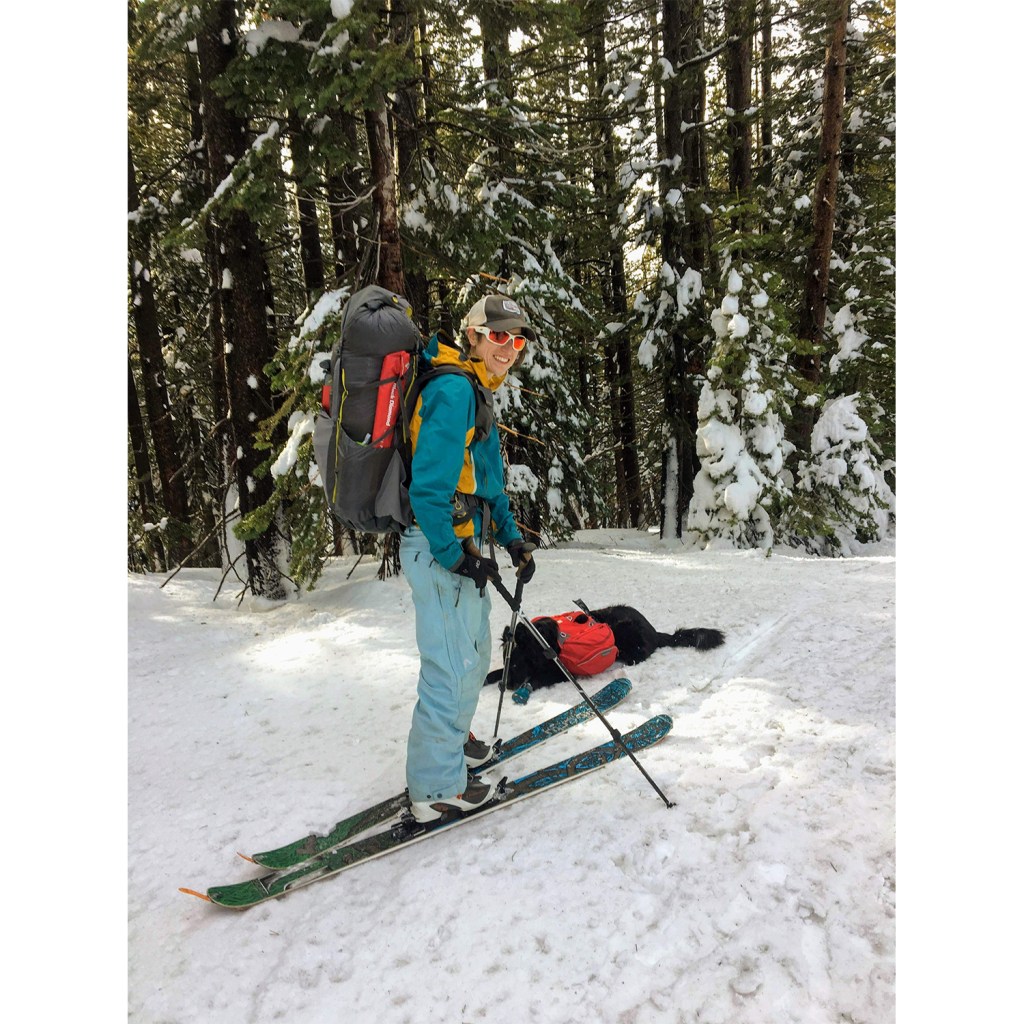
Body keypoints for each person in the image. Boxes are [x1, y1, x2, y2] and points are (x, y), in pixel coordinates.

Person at [401, 294, 538, 823]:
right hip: (441, 550)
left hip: (464, 547)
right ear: (473, 334)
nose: (509, 348)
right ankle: (435, 788)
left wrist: (510, 538)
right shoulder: (454, 389)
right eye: (499, 336)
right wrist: (454, 556)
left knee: (474, 658)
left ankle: (452, 745)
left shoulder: (472, 388)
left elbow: (485, 483)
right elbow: (430, 490)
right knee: (451, 668)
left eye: (517, 340)